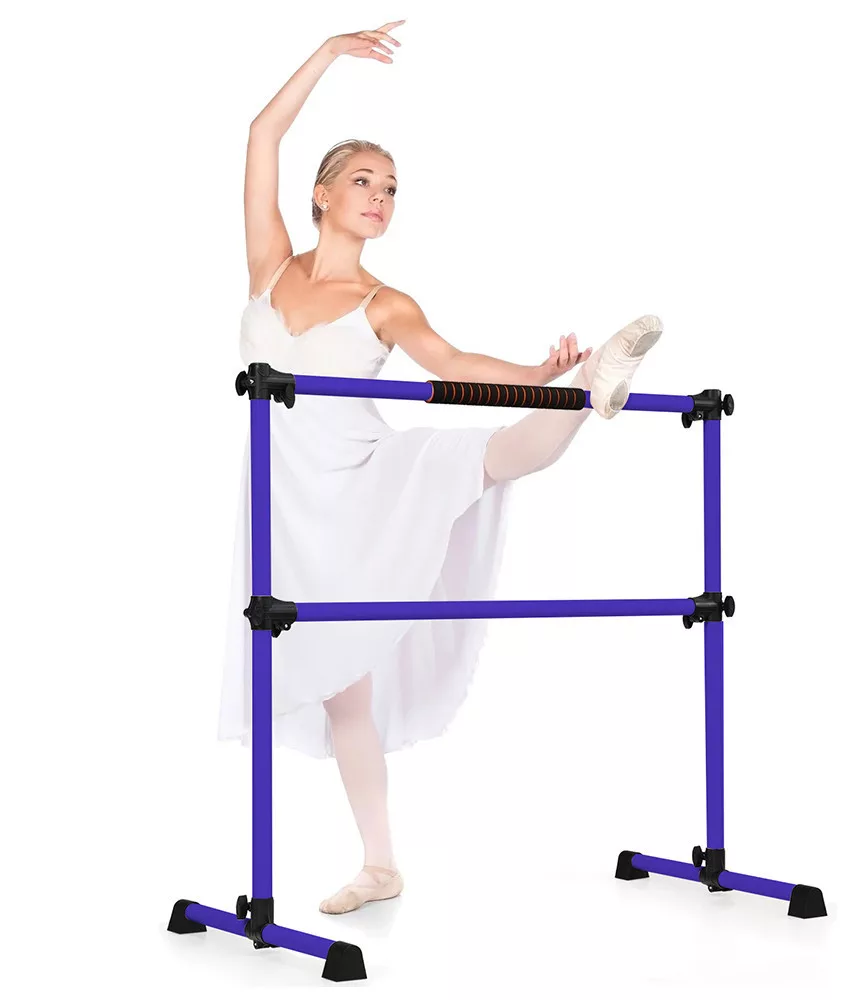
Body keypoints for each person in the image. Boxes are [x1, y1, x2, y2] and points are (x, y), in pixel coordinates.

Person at [217, 21, 663, 916]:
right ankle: (380, 865)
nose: (380, 197)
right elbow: (262, 134)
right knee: (343, 688)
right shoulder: (269, 267)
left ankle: (586, 387)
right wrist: (329, 52)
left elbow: (453, 366)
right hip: (292, 513)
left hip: (365, 479)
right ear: (320, 195)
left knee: (471, 456)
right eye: (363, 181)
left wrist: (538, 373)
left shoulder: (385, 303)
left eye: (391, 189)